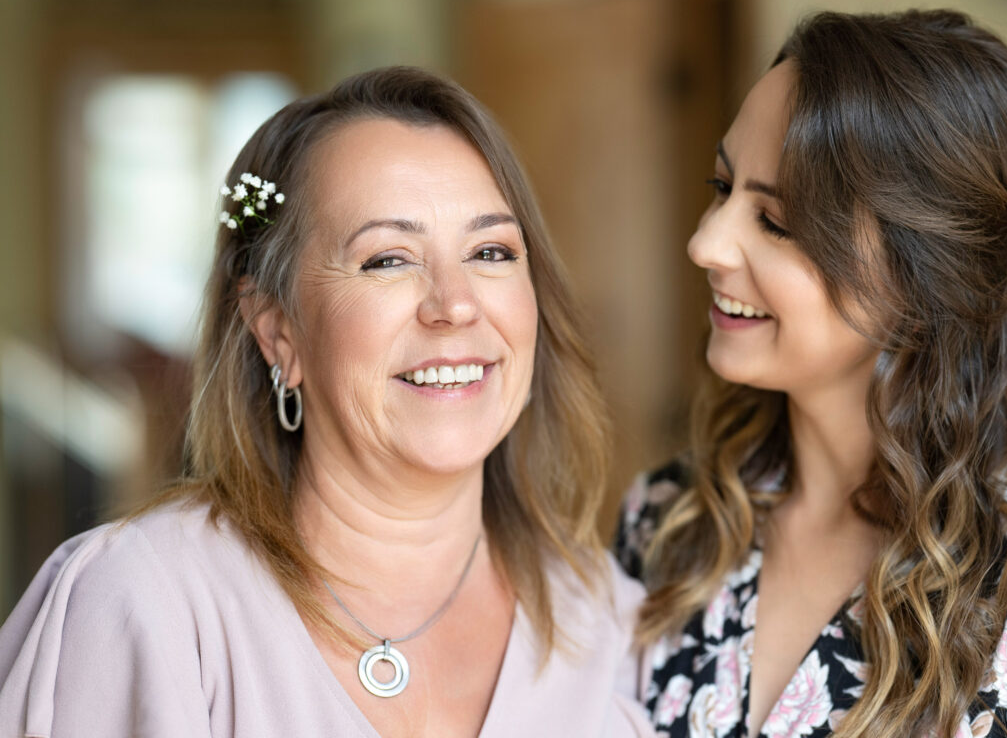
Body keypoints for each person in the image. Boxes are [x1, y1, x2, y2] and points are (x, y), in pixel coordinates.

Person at [0, 67, 654, 737]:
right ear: (278, 330)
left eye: (490, 250)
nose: (455, 305)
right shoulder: (145, 604)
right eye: (387, 260)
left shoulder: (610, 625)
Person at [616, 10, 1007, 738]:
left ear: (922, 273)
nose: (705, 243)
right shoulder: (668, 524)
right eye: (720, 185)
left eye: (776, 220)